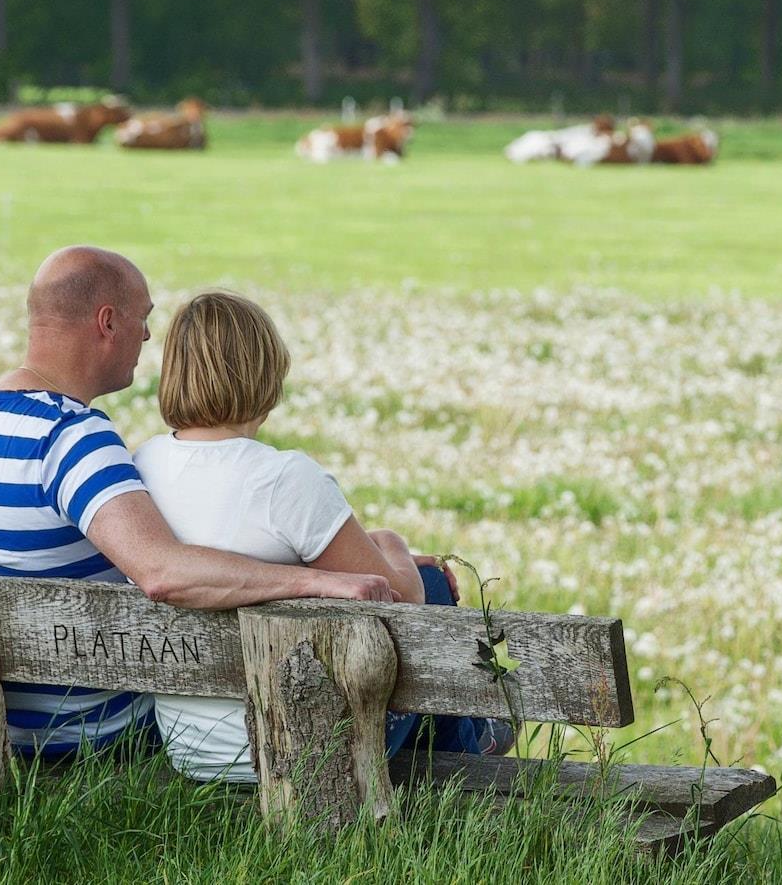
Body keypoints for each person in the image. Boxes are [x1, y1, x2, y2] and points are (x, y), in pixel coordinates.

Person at [0, 246, 393, 758]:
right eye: (143, 318)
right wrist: (317, 581)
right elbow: (162, 573)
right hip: (85, 732)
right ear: (107, 322)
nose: (148, 337)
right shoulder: (71, 438)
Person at [135, 289, 510, 783]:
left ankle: (467, 743)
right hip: (305, 752)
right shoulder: (283, 478)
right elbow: (407, 599)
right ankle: (469, 752)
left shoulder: (144, 463)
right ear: (265, 372)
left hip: (190, 749)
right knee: (432, 584)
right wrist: (392, 543)